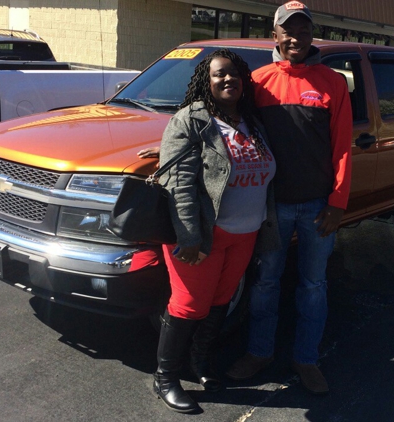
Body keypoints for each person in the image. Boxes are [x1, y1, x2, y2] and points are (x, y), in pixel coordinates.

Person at [226, 1, 353, 395]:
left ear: (312, 34)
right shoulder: (258, 82)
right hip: (270, 206)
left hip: (318, 206)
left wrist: (337, 202)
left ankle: (306, 359)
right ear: (276, 35)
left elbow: (343, 148)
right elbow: (229, 130)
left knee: (313, 285)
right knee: (265, 282)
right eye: (288, 30)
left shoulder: (332, 83)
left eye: (303, 29)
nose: (295, 37)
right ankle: (259, 353)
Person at [152, 48, 277, 413]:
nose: (228, 79)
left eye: (235, 74)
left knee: (220, 302)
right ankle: (165, 378)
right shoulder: (191, 120)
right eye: (219, 74)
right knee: (189, 306)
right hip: (204, 237)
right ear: (205, 81)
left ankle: (200, 362)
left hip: (245, 234)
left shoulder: (252, 122)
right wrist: (189, 237)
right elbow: (179, 185)